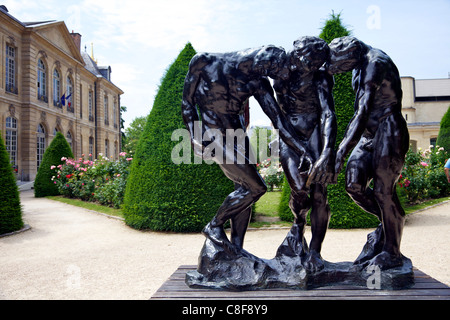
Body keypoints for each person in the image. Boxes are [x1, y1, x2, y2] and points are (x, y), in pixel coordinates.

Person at [181, 45, 312, 253]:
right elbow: (187, 102)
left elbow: (277, 118)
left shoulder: (258, 80)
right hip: (212, 133)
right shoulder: (204, 61)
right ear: (260, 63)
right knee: (256, 187)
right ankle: (214, 225)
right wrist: (194, 137)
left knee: (243, 190)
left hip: (238, 135)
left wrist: (300, 148)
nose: (265, 78)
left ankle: (237, 249)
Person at [328, 36, 410, 270]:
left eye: (338, 66)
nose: (336, 71)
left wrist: (341, 152)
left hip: (389, 129)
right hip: (368, 135)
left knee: (385, 193)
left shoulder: (375, 63)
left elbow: (362, 111)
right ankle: (390, 221)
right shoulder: (358, 64)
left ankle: (392, 252)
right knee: (354, 185)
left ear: (349, 56)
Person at [273, 36, 337, 271]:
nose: (311, 65)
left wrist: (327, 151)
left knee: (319, 194)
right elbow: (276, 111)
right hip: (289, 135)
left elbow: (328, 113)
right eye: (309, 60)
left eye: (315, 62)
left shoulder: (320, 79)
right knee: (299, 189)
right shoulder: (280, 76)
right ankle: (299, 221)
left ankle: (316, 252)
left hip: (314, 135)